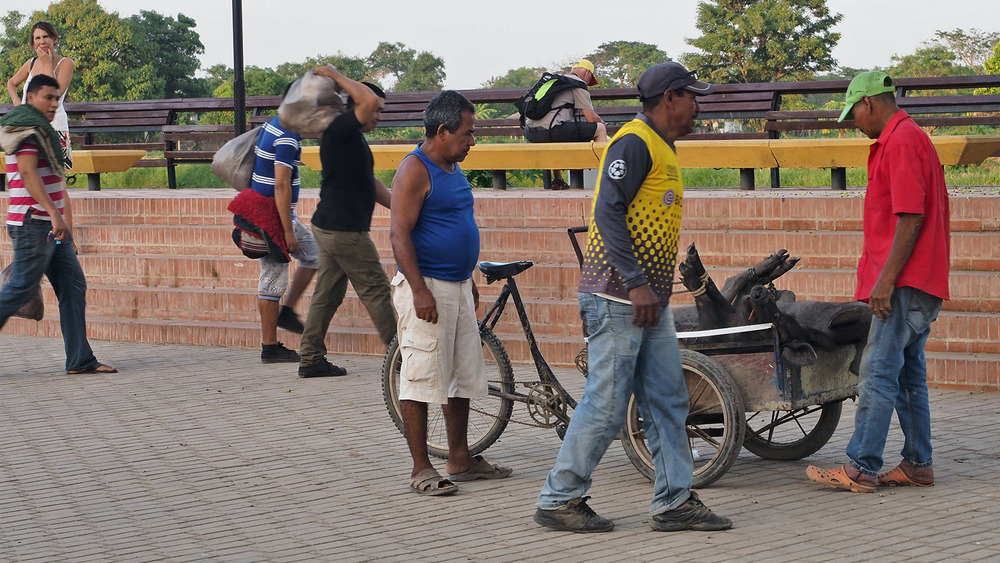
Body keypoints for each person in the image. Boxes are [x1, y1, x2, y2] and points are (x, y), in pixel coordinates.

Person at [534, 62, 731, 533]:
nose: (697, 106)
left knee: (667, 399)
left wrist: (649, 291)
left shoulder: (659, 145)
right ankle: (560, 497)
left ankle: (674, 500)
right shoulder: (634, 143)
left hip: (647, 300)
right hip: (621, 297)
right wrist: (638, 283)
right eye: (692, 96)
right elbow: (607, 213)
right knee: (606, 402)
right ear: (670, 99)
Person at [806, 71, 950, 493]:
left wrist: (885, 282)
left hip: (903, 281)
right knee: (908, 374)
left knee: (878, 372)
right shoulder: (909, 137)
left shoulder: (901, 141)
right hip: (916, 277)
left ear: (868, 103)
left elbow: (910, 215)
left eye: (854, 114)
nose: (855, 123)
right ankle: (918, 463)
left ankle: (861, 468)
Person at [389, 90, 512, 496]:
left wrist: (468, 280)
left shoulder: (453, 168)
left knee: (460, 375)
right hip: (427, 288)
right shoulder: (414, 170)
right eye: (467, 133)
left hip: (456, 285)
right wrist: (420, 290)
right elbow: (399, 234)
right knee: (422, 376)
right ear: (441, 131)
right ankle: (421, 468)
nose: (472, 141)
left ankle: (459, 458)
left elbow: (455, 225)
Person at [0, 74, 114, 374]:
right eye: (48, 98)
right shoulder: (26, 131)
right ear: (31, 98)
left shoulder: (42, 131)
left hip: (52, 227)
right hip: (33, 224)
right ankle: (80, 358)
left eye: (57, 98)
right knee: (21, 288)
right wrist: (54, 213)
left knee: (73, 285)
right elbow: (27, 175)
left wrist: (65, 226)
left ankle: (80, 359)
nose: (54, 103)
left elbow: (55, 183)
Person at [296, 66, 397, 378]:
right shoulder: (341, 128)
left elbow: (369, 182)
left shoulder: (352, 137)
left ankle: (311, 359)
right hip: (344, 230)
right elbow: (364, 101)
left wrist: (403, 207)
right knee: (377, 290)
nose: (379, 115)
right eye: (376, 109)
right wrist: (337, 75)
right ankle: (404, 360)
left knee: (327, 294)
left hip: (331, 227)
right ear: (357, 103)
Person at [249, 111, 319, 363]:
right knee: (273, 276)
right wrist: (287, 230)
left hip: (269, 212)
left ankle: (284, 316)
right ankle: (270, 346)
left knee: (312, 256)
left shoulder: (274, 124)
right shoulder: (287, 134)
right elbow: (281, 184)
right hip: (274, 217)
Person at [523, 58, 607, 189]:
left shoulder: (556, 81)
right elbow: (591, 118)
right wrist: (603, 123)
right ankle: (606, 179)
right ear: (587, 73)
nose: (589, 82)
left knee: (559, 134)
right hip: (552, 131)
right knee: (600, 129)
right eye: (590, 79)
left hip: (531, 132)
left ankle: (558, 180)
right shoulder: (579, 83)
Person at [6, 21, 75, 169]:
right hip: (28, 127)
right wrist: (18, 104)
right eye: (37, 38)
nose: (42, 41)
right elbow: (11, 83)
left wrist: (47, 64)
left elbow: (55, 94)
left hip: (54, 128)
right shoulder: (31, 63)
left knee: (55, 181)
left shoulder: (66, 63)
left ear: (54, 39)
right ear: (33, 42)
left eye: (46, 36)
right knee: (29, 174)